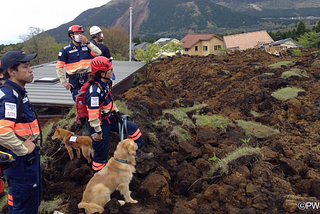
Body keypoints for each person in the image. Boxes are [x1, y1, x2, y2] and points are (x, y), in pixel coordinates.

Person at [86, 56, 153, 172]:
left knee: (133, 128)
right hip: (100, 124)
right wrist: (98, 131)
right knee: (101, 152)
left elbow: (109, 101)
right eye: (110, 70)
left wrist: (116, 112)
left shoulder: (105, 84)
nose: (112, 71)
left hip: (110, 118)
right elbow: (92, 114)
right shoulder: (94, 91)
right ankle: (98, 177)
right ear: (102, 74)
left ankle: (136, 153)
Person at [0, 49, 42, 213]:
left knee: (30, 201)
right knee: (24, 206)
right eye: (25, 66)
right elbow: (3, 132)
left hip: (27, 160)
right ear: (11, 71)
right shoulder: (9, 96)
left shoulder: (17, 92)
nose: (31, 70)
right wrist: (23, 149)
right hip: (22, 162)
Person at [56, 25, 102, 102]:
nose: (80, 35)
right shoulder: (66, 50)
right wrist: (64, 82)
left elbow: (98, 53)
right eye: (77, 33)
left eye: (81, 33)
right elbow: (59, 67)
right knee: (79, 102)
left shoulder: (87, 47)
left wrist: (88, 43)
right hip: (74, 80)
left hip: (88, 78)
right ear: (71, 35)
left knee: (92, 100)